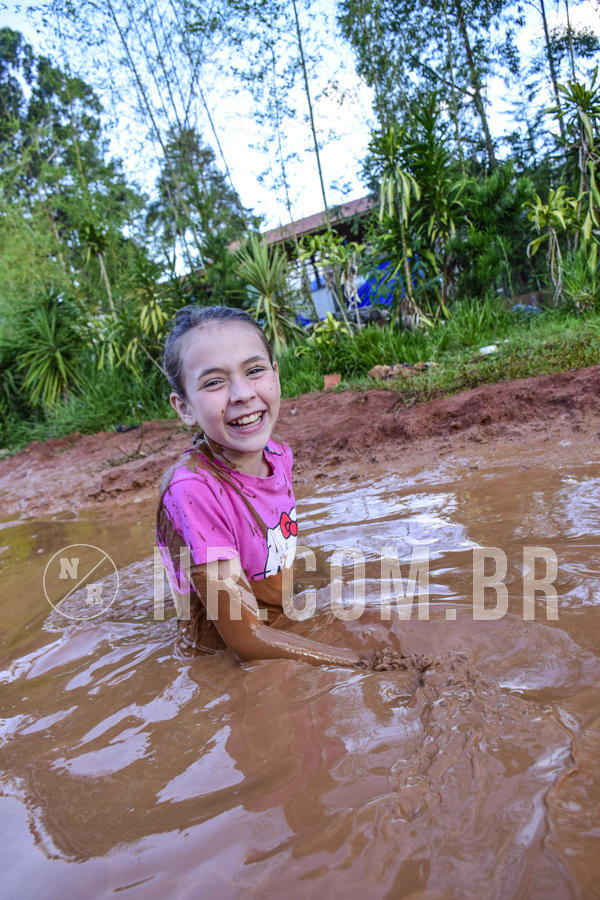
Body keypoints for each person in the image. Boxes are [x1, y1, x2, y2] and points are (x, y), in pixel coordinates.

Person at [156, 304, 369, 667]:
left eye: (254, 371)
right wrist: (358, 660)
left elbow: (270, 556)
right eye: (213, 382)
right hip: (221, 655)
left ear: (276, 375)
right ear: (185, 407)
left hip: (273, 619)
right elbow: (246, 641)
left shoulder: (278, 454)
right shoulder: (193, 490)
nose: (241, 393)